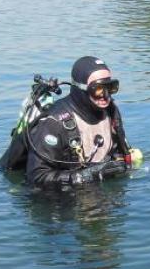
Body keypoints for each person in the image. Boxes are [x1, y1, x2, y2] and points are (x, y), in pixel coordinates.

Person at [25, 56, 131, 187]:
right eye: (98, 89)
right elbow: (36, 176)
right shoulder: (54, 123)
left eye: (110, 87)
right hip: (59, 199)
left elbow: (120, 151)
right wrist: (83, 176)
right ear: (81, 89)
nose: (105, 95)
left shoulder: (111, 112)